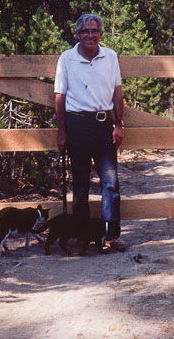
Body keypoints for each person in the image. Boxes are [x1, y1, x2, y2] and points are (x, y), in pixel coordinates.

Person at [54, 13, 126, 251]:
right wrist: (62, 131)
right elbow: (59, 97)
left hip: (104, 125)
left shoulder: (110, 57)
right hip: (77, 125)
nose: (90, 35)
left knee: (110, 183)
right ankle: (83, 236)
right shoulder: (67, 59)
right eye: (85, 31)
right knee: (81, 184)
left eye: (94, 31)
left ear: (101, 34)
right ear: (77, 35)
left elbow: (117, 93)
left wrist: (118, 124)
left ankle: (110, 236)